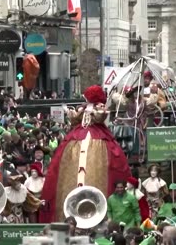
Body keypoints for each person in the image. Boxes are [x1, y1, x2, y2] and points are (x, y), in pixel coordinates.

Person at [39, 85, 131, 223]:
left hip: (96, 138)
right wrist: (72, 112)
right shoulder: (83, 107)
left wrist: (93, 111)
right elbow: (75, 119)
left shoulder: (99, 107)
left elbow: (101, 116)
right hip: (77, 137)